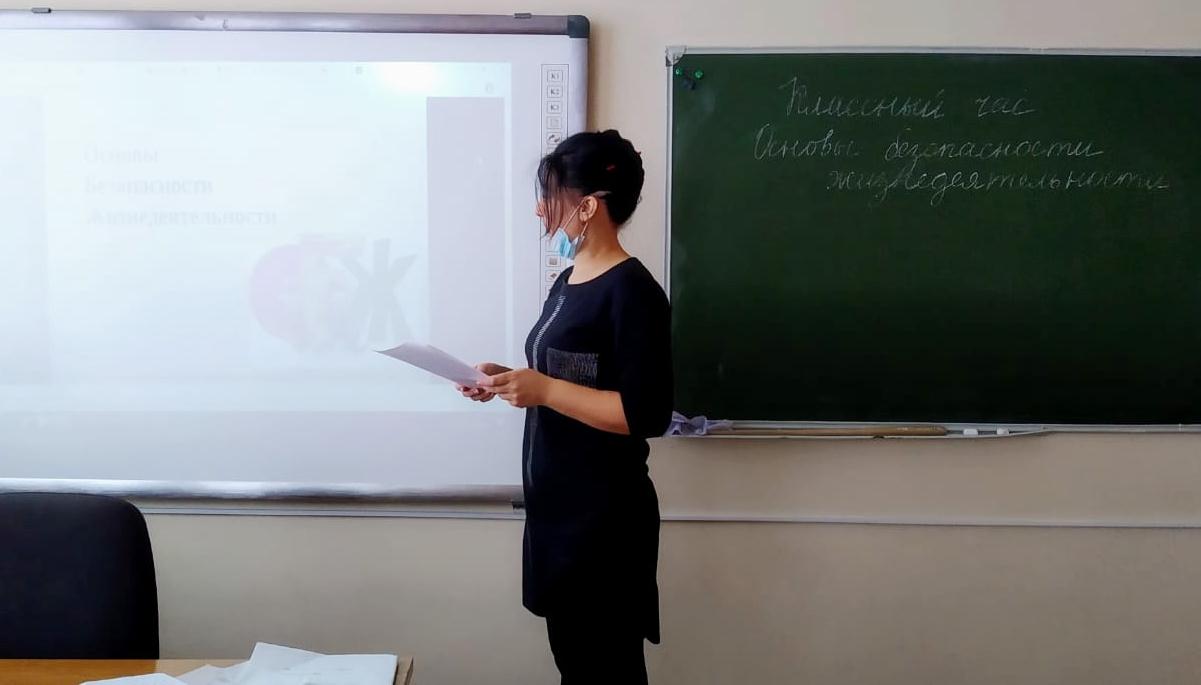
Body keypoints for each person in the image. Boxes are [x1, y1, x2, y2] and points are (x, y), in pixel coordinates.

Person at [457, 130, 673, 684]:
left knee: (605, 671)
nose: (540, 209)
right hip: (558, 515)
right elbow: (569, 376)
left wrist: (545, 391)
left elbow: (646, 414)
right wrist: (505, 380)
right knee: (576, 667)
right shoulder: (569, 281)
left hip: (603, 524)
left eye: (550, 196)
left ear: (588, 206)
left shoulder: (632, 291)